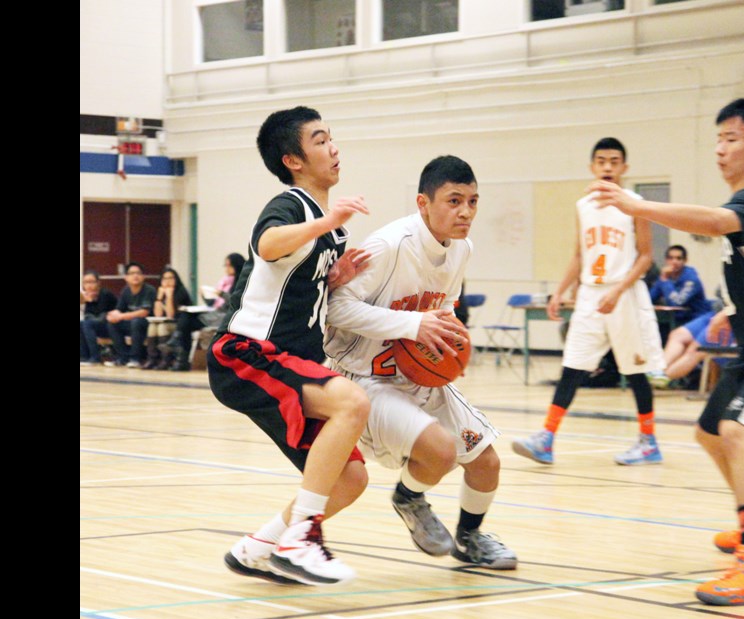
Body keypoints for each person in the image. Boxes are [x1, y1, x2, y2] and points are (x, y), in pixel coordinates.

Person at [588, 98, 744, 606]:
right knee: (709, 431)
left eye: (732, 139)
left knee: (738, 434)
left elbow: (714, 222)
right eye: (718, 139)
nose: (720, 149)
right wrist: (728, 311)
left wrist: (638, 206)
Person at [325, 155, 517, 570]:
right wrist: (412, 325)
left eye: (472, 201)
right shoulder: (390, 245)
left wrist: (447, 340)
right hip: (363, 376)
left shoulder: (462, 248)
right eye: (453, 200)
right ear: (423, 203)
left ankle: (470, 538)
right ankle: (409, 497)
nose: (465, 211)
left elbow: (443, 306)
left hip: (415, 370)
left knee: (486, 462)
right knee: (441, 452)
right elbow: (337, 309)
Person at [207, 106, 373, 586]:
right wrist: (325, 225)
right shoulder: (293, 205)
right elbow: (268, 244)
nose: (333, 148)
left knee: (350, 478)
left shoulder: (331, 228)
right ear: (293, 160)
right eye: (320, 140)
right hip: (247, 353)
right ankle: (301, 539)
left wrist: (336, 277)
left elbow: (300, 285)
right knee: (352, 402)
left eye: (331, 137)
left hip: (291, 362)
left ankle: (257, 548)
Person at [512, 137, 665, 466]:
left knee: (634, 369)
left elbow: (647, 258)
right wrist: (560, 290)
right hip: (591, 294)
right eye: (601, 161)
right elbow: (579, 254)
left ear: (624, 168)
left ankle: (649, 441)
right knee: (573, 365)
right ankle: (546, 438)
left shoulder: (636, 204)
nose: (607, 167)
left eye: (614, 161)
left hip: (624, 293)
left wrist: (619, 289)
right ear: (592, 167)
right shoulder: (583, 206)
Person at [168, 253, 247, 371]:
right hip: (215, 312)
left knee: (186, 321)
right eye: (225, 265)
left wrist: (221, 293)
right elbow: (212, 304)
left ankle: (179, 350)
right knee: (185, 316)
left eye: (228, 265)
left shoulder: (243, 282)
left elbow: (236, 302)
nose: (226, 268)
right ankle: (181, 355)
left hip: (227, 317)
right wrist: (205, 295)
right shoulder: (225, 281)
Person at [647, 313, 737, 389]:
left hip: (732, 318)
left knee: (695, 350)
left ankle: (663, 377)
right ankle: (658, 371)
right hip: (716, 312)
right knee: (678, 335)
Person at [105, 262, 157, 367]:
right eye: (132, 273)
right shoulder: (126, 291)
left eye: (138, 273)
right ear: (126, 277)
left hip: (149, 324)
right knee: (112, 324)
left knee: (136, 322)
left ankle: (135, 359)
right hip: (133, 323)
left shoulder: (149, 290)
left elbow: (144, 312)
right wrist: (110, 316)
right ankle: (122, 357)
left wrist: (121, 316)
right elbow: (119, 309)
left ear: (143, 277)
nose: (135, 276)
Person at [648, 245, 714, 326]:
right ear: (666, 260)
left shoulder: (692, 279)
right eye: (670, 258)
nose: (674, 261)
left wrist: (665, 281)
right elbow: (649, 299)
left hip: (697, 320)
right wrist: (663, 279)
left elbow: (677, 303)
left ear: (685, 260)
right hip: (675, 321)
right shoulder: (665, 276)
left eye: (678, 258)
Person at [144, 268, 193, 370]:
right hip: (167, 323)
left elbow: (171, 315)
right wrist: (159, 298)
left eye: (171, 278)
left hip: (179, 325)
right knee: (152, 326)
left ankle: (166, 359)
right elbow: (158, 315)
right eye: (165, 279)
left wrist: (169, 296)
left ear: (176, 279)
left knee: (162, 327)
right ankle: (152, 359)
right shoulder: (160, 292)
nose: (168, 281)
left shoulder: (181, 291)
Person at [80, 270, 118, 365]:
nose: (89, 285)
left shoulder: (105, 294)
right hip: (95, 327)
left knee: (87, 324)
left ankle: (95, 357)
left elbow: (102, 317)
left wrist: (91, 300)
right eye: (86, 282)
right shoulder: (85, 297)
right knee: (82, 324)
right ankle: (84, 356)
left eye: (92, 282)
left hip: (112, 327)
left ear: (98, 283)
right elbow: (87, 316)